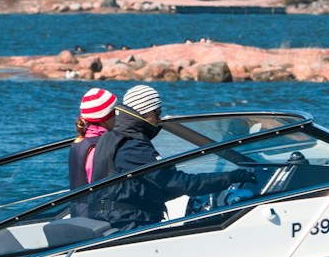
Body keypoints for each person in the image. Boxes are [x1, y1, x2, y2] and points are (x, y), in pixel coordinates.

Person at [88, 84, 254, 230]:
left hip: (115, 217)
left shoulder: (111, 137)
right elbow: (177, 182)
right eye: (157, 114)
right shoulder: (133, 146)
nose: (160, 120)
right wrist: (230, 177)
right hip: (128, 223)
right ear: (145, 113)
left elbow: (144, 186)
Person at [68, 87, 117, 192]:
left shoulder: (79, 141)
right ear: (105, 118)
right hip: (93, 207)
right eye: (114, 112)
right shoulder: (97, 147)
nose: (117, 117)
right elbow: (98, 186)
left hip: (79, 206)